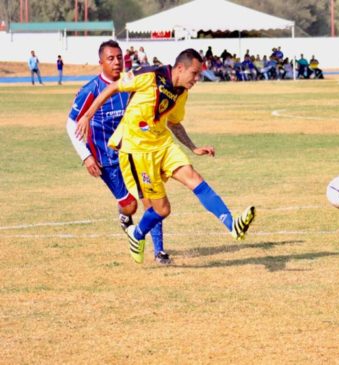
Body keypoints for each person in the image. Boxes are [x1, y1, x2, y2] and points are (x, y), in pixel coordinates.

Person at [74, 49, 256, 264]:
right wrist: (87, 115)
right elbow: (114, 87)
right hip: (136, 150)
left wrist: (193, 147)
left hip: (163, 144)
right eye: (195, 74)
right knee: (161, 209)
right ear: (180, 68)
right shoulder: (150, 75)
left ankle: (232, 226)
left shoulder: (181, 92)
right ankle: (138, 235)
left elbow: (174, 122)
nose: (197, 79)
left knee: (194, 178)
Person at [65, 40, 170, 264]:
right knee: (131, 205)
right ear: (100, 62)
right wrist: (86, 156)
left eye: (119, 57)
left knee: (151, 198)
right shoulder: (91, 90)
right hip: (107, 160)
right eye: (110, 58)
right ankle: (124, 215)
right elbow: (70, 124)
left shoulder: (131, 83)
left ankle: (159, 251)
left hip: (134, 153)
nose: (116, 62)